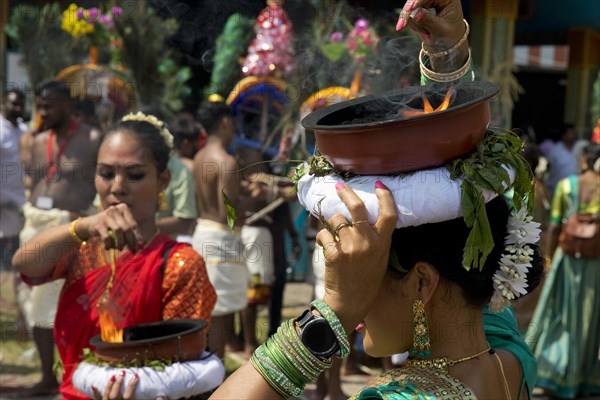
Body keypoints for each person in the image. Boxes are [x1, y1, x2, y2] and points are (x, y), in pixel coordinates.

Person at [209, 1, 544, 399]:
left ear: (421, 282)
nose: (348, 281)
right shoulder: (509, 357)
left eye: (362, 270)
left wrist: (336, 308)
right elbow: (463, 257)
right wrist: (447, 60)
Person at [12, 112, 217, 399]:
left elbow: (180, 367)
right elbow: (25, 262)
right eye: (106, 174)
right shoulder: (82, 247)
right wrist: (83, 226)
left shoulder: (179, 263)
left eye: (135, 175)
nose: (117, 187)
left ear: (163, 180)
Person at [15, 80, 101, 396]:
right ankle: (46, 374)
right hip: (35, 223)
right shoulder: (35, 141)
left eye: (49, 105)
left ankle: (72, 372)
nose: (42, 111)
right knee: (32, 301)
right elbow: (33, 179)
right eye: (39, 105)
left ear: (66, 103)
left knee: (67, 300)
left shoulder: (91, 138)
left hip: (69, 226)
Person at [526, 143, 600, 399]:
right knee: (588, 317)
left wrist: (548, 256)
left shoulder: (567, 186)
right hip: (594, 263)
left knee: (556, 311)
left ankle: (551, 370)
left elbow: (556, 225)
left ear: (583, 161)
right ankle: (583, 377)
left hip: (566, 259)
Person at [192, 101, 248, 359]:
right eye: (233, 122)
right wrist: (255, 197)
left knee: (208, 308)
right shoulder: (226, 161)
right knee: (221, 311)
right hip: (221, 239)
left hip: (201, 233)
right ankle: (214, 373)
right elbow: (229, 212)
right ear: (225, 122)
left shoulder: (198, 158)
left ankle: (209, 367)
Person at [0, 88, 27, 272]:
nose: (17, 108)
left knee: (16, 250)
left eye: (21, 104)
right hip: (2, 200)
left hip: (20, 199)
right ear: (3, 103)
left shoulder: (24, 130)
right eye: (13, 103)